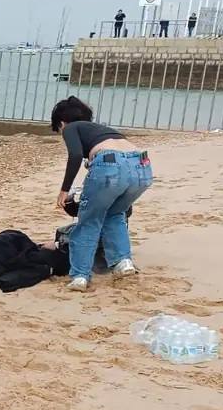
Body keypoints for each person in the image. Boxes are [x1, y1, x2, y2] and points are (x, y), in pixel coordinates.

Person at [50, 97, 153, 291]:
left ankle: (80, 276)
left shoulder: (71, 128)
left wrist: (64, 190)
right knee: (115, 214)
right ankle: (123, 263)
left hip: (110, 164)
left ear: (62, 123)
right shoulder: (104, 131)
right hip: (142, 166)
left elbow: (74, 155)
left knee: (89, 221)